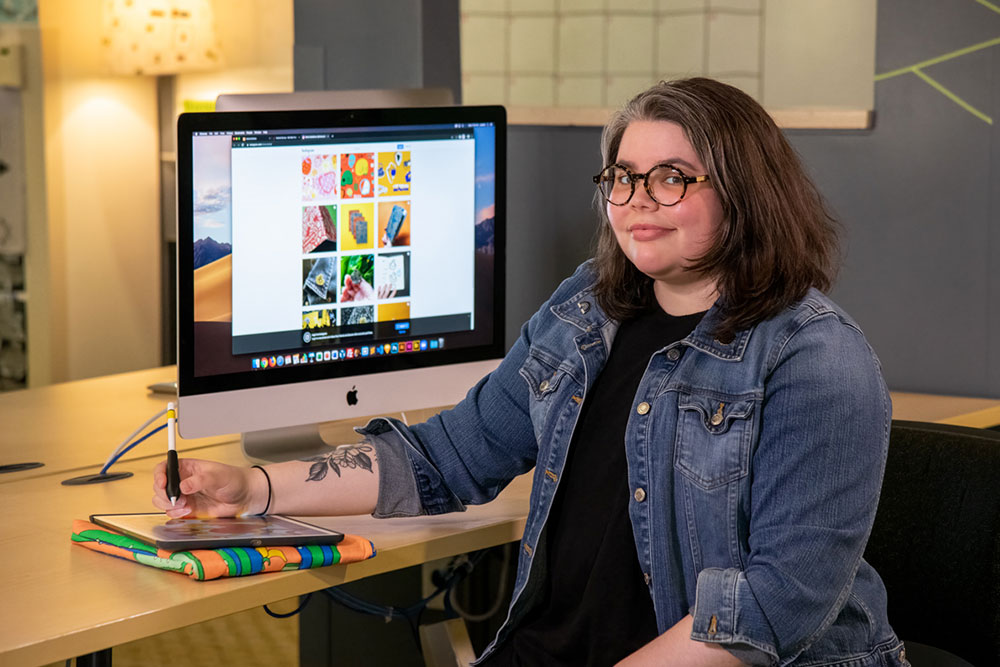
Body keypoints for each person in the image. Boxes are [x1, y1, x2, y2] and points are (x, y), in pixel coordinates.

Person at [154, 78, 908, 667]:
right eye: (623, 176)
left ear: (744, 191)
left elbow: (774, 606)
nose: (638, 200)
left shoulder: (815, 358)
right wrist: (253, 490)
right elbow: (448, 455)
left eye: (672, 177)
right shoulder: (587, 309)